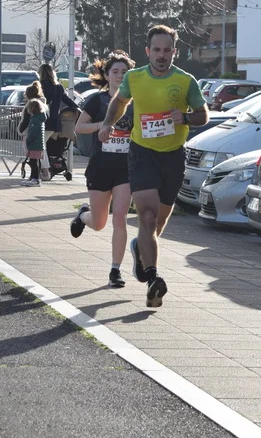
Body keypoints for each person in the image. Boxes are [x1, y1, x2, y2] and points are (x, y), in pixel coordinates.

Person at [99, 25, 208, 308]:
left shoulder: (185, 81)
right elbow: (120, 102)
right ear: (148, 51)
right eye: (156, 50)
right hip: (142, 153)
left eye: (167, 50)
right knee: (146, 217)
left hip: (173, 156)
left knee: (158, 222)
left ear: (174, 52)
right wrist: (108, 124)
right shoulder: (134, 77)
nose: (161, 55)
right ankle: (153, 278)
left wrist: (185, 117)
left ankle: (140, 249)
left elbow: (203, 114)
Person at [70, 51, 137, 288]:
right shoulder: (97, 101)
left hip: (125, 168)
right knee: (99, 223)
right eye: (115, 72)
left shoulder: (136, 102)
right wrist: (103, 125)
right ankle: (83, 215)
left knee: (120, 217)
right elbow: (79, 127)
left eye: (124, 72)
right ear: (107, 75)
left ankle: (115, 270)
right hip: (100, 167)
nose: (120, 76)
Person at [38, 63, 79, 179]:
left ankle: (45, 171)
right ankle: (46, 170)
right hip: (54, 122)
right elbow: (67, 100)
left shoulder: (39, 86)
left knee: (39, 146)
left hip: (42, 121)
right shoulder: (58, 86)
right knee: (43, 146)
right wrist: (77, 108)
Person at [20, 82, 48, 187]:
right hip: (38, 144)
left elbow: (33, 133)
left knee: (33, 162)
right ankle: (34, 177)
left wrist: (28, 140)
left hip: (34, 144)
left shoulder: (35, 120)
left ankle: (35, 179)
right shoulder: (39, 118)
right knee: (35, 161)